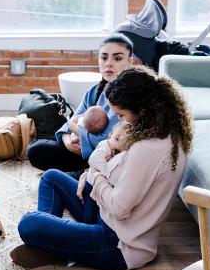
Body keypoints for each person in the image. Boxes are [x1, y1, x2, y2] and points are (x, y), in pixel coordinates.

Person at [10, 66, 194, 270]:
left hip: (118, 244)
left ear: (142, 110)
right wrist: (89, 175)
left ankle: (51, 244)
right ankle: (52, 245)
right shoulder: (163, 133)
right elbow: (125, 176)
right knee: (51, 177)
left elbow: (119, 208)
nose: (121, 120)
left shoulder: (147, 150)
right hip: (102, 214)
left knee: (29, 223)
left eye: (122, 114)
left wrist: (95, 177)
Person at [26, 34, 134, 172]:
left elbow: (107, 139)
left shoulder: (130, 95)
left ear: (130, 61)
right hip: (78, 148)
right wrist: (67, 141)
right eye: (104, 57)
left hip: (107, 156)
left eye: (117, 58)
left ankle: (86, 173)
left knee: (39, 149)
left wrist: (77, 131)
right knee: (36, 147)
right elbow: (70, 122)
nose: (109, 63)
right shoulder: (93, 91)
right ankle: (81, 171)